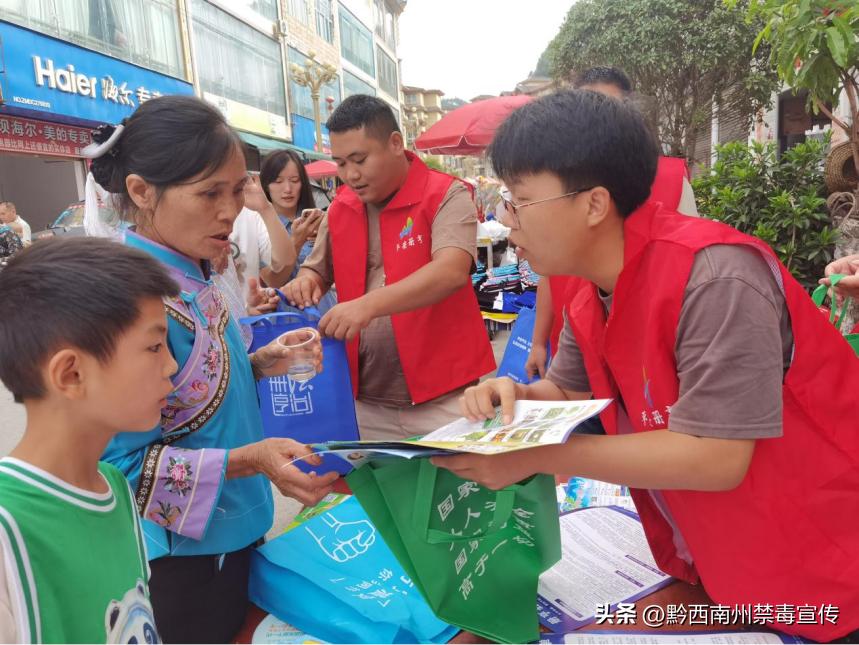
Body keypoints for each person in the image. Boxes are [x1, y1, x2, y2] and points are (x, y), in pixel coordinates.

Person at [432, 90, 859, 643]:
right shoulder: (589, 293)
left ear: (593, 203)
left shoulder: (716, 278)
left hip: (822, 566)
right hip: (724, 565)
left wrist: (535, 456)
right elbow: (568, 393)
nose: (506, 221)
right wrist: (513, 394)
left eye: (519, 200)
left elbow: (716, 456)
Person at [86, 95, 338, 642]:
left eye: (234, 191)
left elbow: (191, 395)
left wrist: (262, 363)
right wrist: (254, 459)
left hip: (235, 529)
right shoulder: (129, 301)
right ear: (141, 191)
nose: (230, 212)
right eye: (209, 194)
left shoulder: (195, 272)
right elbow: (126, 468)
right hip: (186, 558)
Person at [282, 95, 495, 440]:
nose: (350, 175)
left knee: (457, 491)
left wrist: (366, 305)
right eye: (339, 163)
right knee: (377, 491)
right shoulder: (341, 208)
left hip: (445, 395)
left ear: (395, 143)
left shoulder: (445, 194)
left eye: (360, 159)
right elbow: (317, 271)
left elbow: (451, 271)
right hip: (365, 397)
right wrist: (305, 282)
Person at [0, 237, 175, 643]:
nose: (172, 364)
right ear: (71, 374)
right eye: (153, 346)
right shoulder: (8, 528)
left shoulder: (114, 486)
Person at [525, 66, 698, 380]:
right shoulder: (556, 190)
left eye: (609, 110)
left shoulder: (671, 181)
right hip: (578, 346)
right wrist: (538, 342)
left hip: (646, 349)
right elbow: (549, 278)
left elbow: (688, 267)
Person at [260, 149, 336, 313]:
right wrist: (296, 241)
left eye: (294, 180)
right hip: (289, 319)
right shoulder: (260, 227)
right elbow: (271, 280)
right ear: (266, 185)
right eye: (278, 181)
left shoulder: (317, 219)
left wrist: (327, 240)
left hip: (327, 310)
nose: (287, 189)